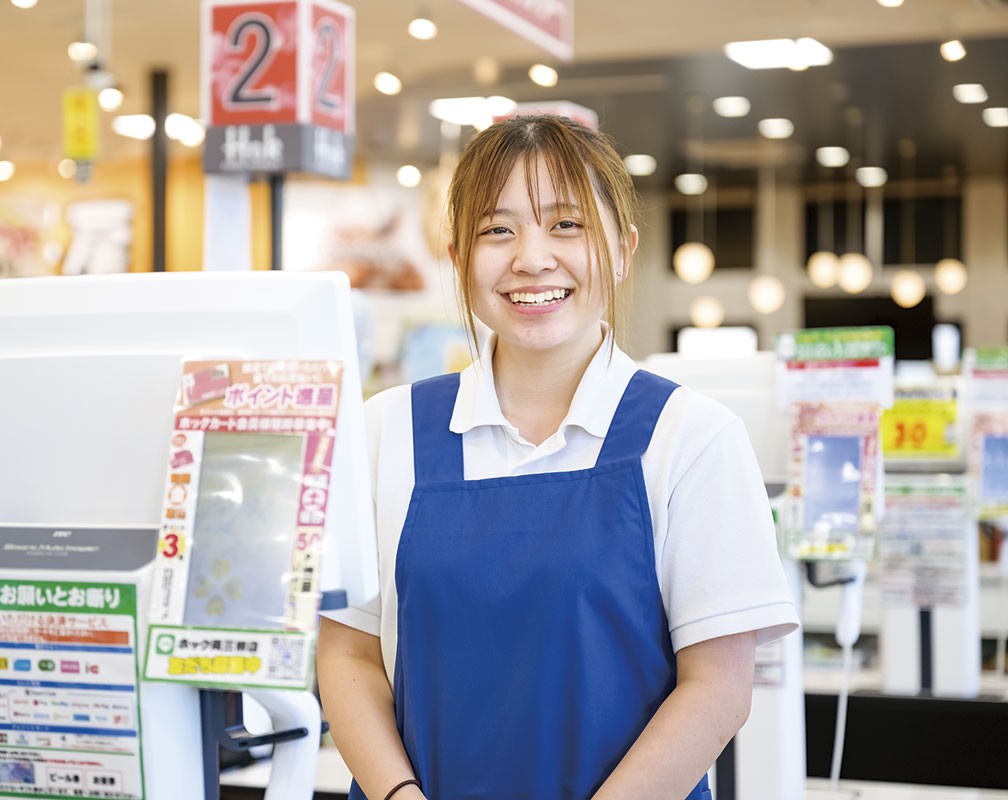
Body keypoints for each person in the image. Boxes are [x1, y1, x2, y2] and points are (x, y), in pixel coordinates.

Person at [316, 114, 799, 800]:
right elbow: (349, 655)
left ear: (623, 249)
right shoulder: (382, 431)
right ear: (458, 256)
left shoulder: (692, 437)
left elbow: (718, 688)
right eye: (497, 230)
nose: (532, 258)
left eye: (566, 225)